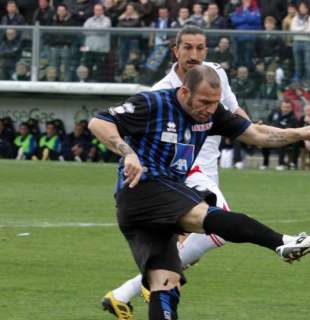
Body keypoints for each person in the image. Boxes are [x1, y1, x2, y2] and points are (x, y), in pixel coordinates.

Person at [89, 65, 310, 320]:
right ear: (184, 92)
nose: (208, 109)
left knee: (165, 283)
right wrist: (127, 152)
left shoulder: (212, 114)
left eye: (214, 103)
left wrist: (299, 133)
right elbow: (99, 122)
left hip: (155, 205)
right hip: (143, 190)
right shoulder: (153, 103)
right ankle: (282, 242)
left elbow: (256, 134)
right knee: (207, 215)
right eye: (204, 102)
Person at [100, 25, 255, 319]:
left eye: (200, 48)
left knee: (195, 238)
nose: (194, 55)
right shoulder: (162, 91)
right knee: (217, 232)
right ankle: (135, 288)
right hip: (183, 172)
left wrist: (252, 132)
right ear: (176, 50)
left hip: (210, 168)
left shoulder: (216, 74)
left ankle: (126, 294)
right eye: (188, 48)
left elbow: (235, 112)